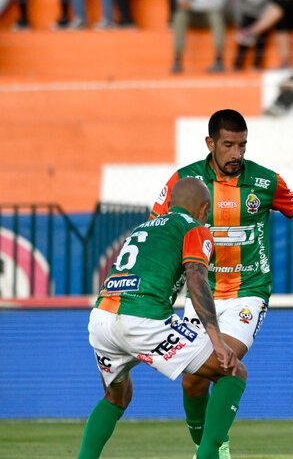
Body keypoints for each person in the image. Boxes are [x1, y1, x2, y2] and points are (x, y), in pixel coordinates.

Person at [151, 109, 293, 459]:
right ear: (211, 143)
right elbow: (158, 229)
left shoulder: (265, 182)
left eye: (242, 145)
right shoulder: (185, 181)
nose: (237, 154)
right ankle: (211, 445)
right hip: (201, 294)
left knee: (223, 364)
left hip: (249, 291)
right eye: (228, 145)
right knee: (193, 378)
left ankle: (210, 450)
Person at [78, 178, 247, 459]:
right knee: (233, 370)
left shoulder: (142, 228)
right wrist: (217, 339)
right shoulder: (195, 228)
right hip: (143, 317)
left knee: (116, 397)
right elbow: (196, 276)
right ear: (204, 210)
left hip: (101, 317)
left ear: (169, 205)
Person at [232, 0, 271, 70]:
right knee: (243, 38)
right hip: (247, 15)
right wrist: (237, 20)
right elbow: (238, 3)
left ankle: (257, 63)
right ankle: (239, 63)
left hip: (262, 15)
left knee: (261, 39)